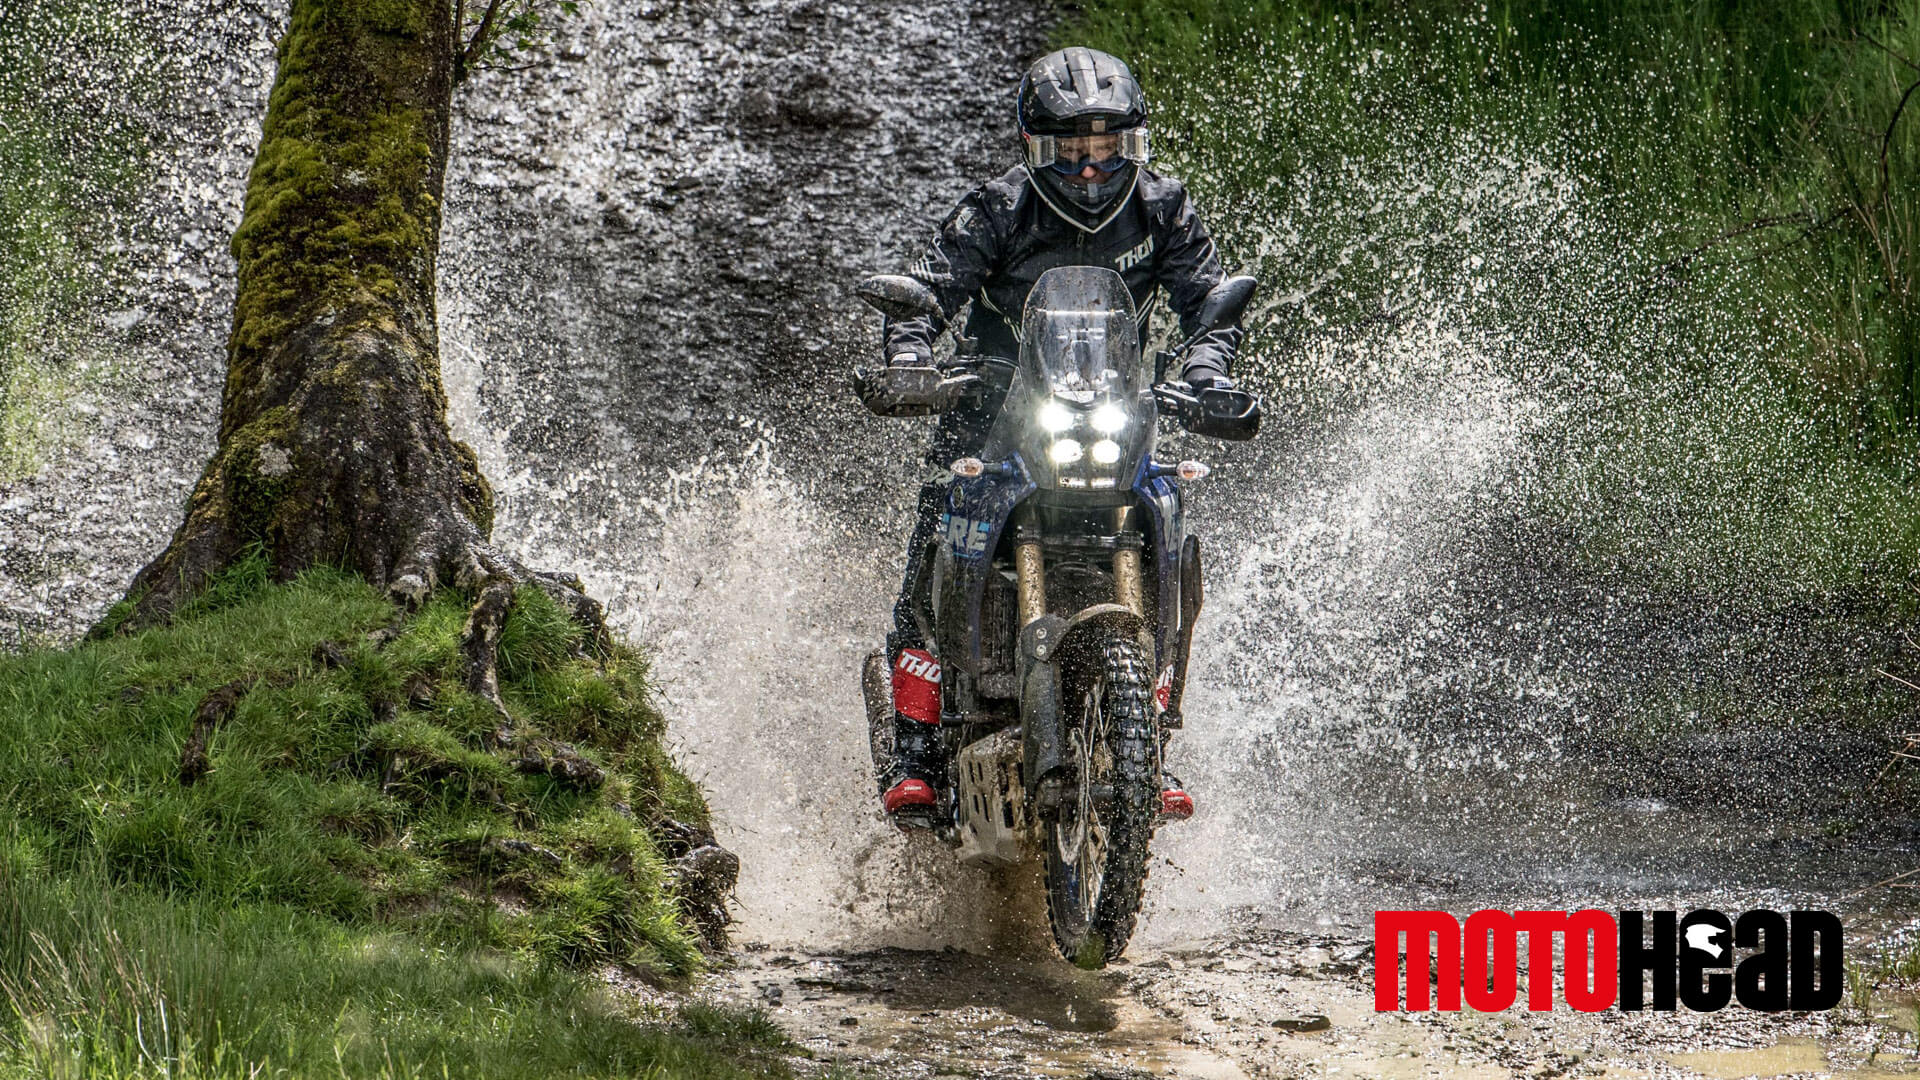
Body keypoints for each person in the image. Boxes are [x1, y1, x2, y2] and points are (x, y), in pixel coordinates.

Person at [877, 46, 1242, 823]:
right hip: (995, 411)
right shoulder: (997, 209)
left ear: (1133, 143)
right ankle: (916, 747)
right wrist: (911, 360)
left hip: (1116, 411)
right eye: (1071, 149)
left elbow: (1209, 305)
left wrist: (1208, 376)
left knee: (1166, 517)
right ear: (1033, 146)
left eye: (1108, 146)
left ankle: (1150, 737)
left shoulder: (1164, 208)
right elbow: (927, 295)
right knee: (936, 532)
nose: (1090, 166)